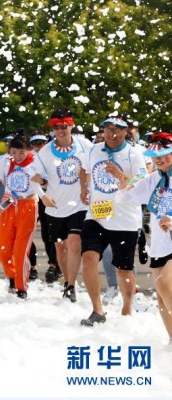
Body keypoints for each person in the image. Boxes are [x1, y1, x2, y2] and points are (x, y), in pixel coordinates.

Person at [79, 114, 147, 326]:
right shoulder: (94, 149)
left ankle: (127, 308)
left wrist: (120, 175)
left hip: (125, 219)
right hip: (97, 215)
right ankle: (97, 310)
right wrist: (83, 188)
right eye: (107, 128)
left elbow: (142, 183)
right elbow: (84, 168)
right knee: (89, 257)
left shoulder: (134, 154)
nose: (111, 133)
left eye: (116, 129)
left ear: (126, 131)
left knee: (123, 269)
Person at [116, 132, 172, 347]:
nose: (158, 160)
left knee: (164, 283)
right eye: (154, 156)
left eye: (164, 155)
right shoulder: (153, 179)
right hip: (159, 243)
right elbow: (126, 198)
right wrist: (123, 183)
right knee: (161, 296)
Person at [0, 135, 53, 299]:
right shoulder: (5, 161)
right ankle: (13, 276)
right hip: (8, 206)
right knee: (3, 251)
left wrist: (44, 194)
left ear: (28, 150)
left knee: (20, 251)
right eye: (14, 152)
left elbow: (40, 183)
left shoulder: (35, 161)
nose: (17, 156)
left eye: (21, 152)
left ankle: (21, 287)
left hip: (27, 206)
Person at [33, 108, 89, 302]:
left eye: (64, 126)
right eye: (56, 127)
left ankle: (71, 285)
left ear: (71, 125)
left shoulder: (85, 145)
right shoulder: (45, 152)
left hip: (79, 205)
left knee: (74, 243)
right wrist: (43, 196)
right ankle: (66, 280)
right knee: (60, 248)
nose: (60, 130)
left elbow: (93, 166)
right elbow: (34, 178)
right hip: (55, 206)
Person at [27, 131, 58, 281]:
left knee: (50, 234)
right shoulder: (29, 157)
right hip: (33, 198)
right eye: (34, 143)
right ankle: (32, 266)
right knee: (30, 232)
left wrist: (43, 182)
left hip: (51, 196)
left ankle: (54, 264)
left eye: (40, 143)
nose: (38, 146)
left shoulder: (52, 154)